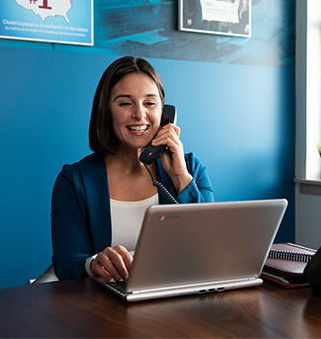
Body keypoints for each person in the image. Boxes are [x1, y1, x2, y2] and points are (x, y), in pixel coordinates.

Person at [51, 56, 214, 282]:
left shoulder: (191, 169)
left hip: (179, 300)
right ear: (105, 111)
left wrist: (180, 178)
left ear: (165, 112)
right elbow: (66, 259)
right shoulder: (74, 180)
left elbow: (212, 249)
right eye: (125, 103)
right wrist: (93, 264)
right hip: (106, 306)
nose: (139, 114)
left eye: (150, 103)